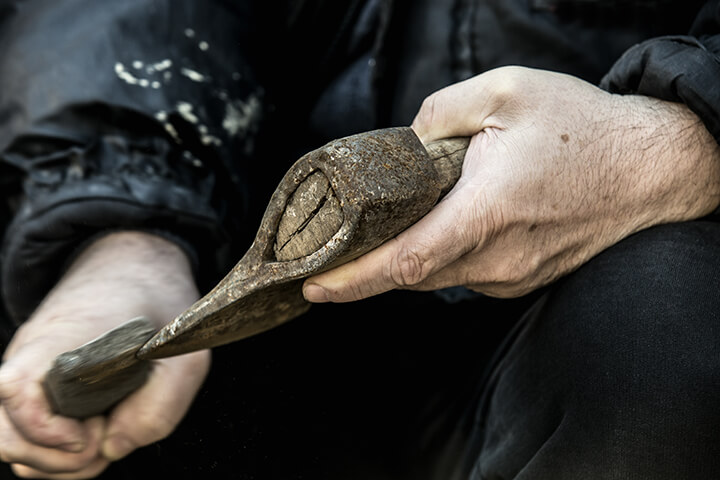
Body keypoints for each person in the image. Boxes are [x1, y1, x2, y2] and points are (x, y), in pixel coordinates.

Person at [0, 0, 719, 479]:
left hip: (576, 313)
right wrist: (125, 231)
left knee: (661, 325)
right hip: (235, 261)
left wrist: (681, 140)